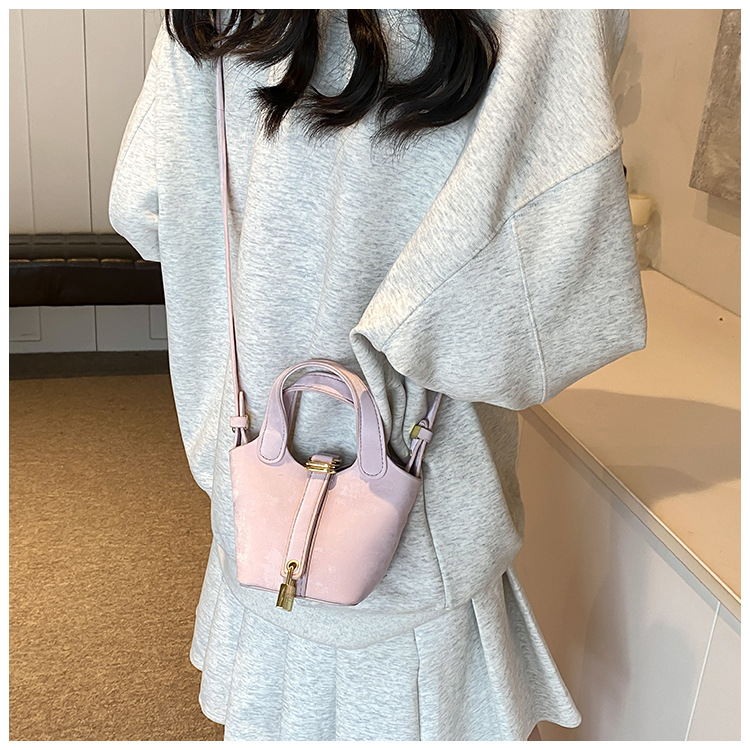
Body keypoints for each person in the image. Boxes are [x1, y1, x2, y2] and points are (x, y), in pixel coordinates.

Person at [109, 9, 646, 742]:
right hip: (423, 535)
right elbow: (547, 301)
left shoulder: (221, 17)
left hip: (257, 496)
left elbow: (144, 204)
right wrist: (402, 325)